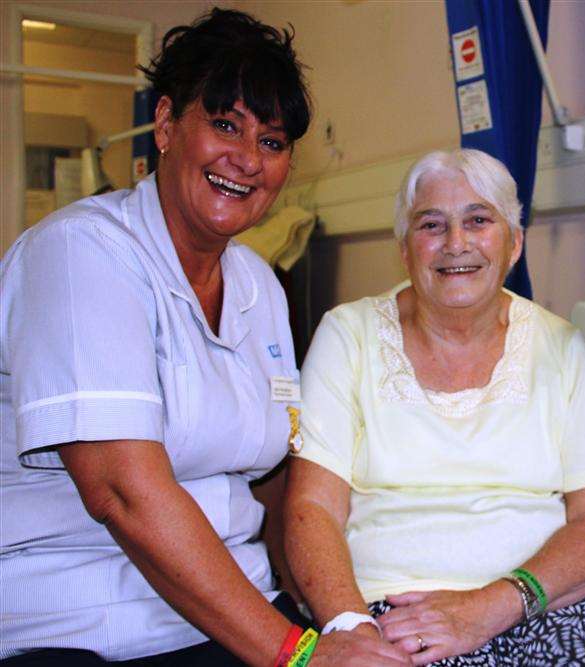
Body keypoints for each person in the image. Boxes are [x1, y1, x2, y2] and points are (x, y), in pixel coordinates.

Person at [0, 9, 409, 666]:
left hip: (235, 614)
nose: (246, 160)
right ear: (166, 125)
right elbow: (123, 491)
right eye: (225, 125)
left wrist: (336, 615)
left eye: (272, 142)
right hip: (83, 622)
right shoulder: (82, 253)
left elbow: (276, 475)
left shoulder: (258, 286)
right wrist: (297, 654)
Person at [284, 148, 585, 666]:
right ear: (404, 249)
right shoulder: (349, 336)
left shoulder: (563, 347)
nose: (455, 244)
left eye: (478, 220)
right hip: (389, 614)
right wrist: (350, 630)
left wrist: (492, 605)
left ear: (513, 244)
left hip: (539, 601)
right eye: (431, 225)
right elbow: (312, 509)